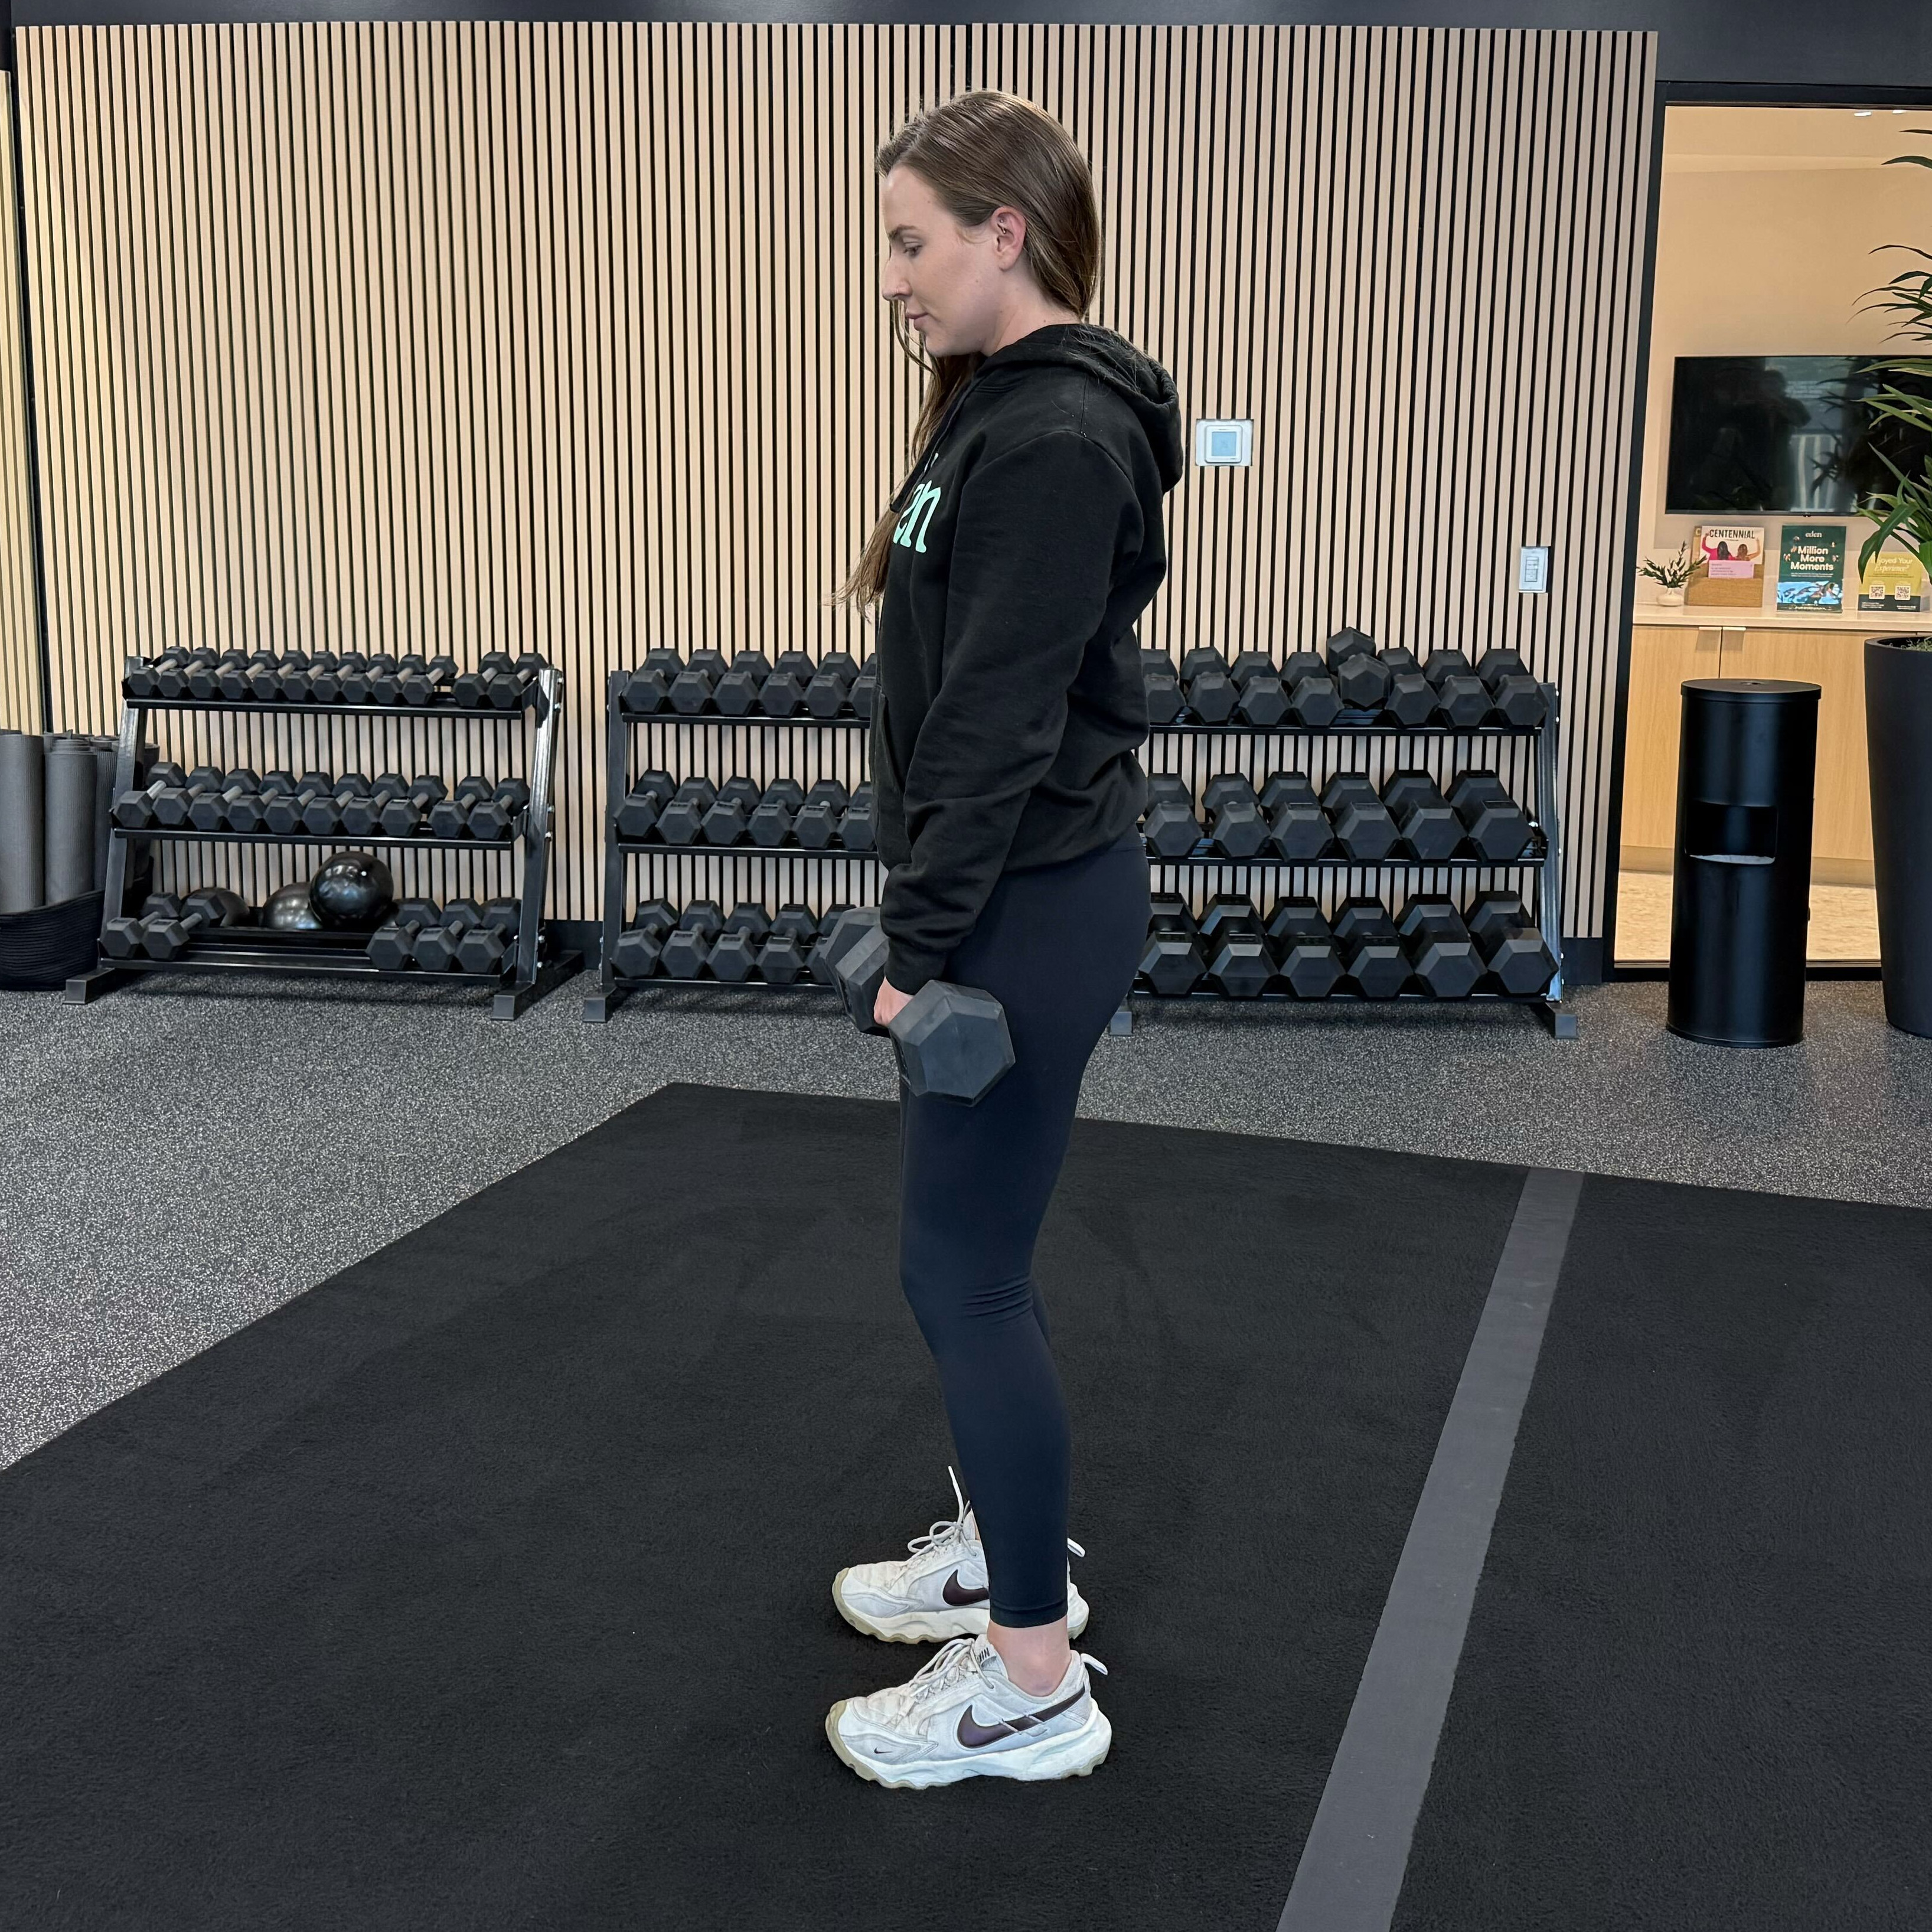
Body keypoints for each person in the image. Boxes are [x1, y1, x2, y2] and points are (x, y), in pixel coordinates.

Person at [820, 90, 1183, 1790]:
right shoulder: (999, 414)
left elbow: (994, 720)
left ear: (1004, 236)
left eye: (912, 242)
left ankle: (1033, 1680)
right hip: (1012, 888)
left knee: (960, 1275)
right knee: (964, 1258)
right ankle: (991, 1551)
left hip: (1022, 906)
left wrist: (917, 939)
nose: (890, 276)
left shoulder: (1049, 442)